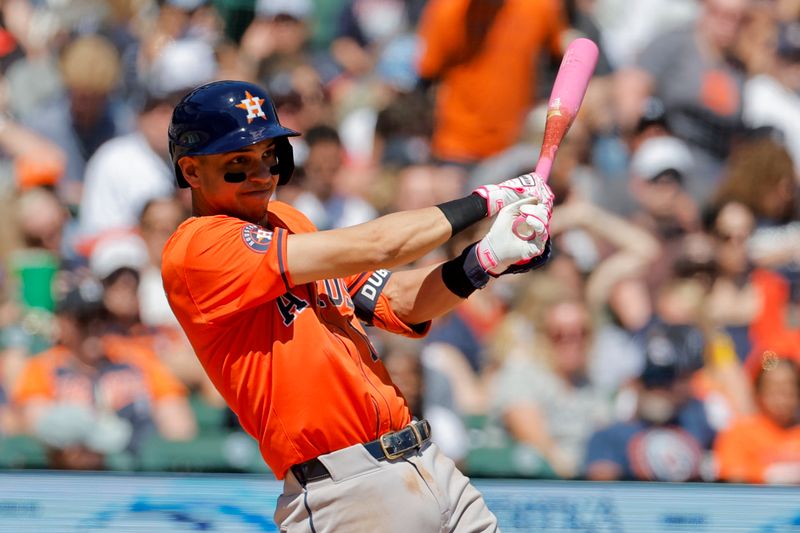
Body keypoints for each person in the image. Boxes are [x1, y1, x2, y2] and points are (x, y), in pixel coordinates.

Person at [161, 80, 554, 531]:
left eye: (271, 157)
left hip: (424, 460)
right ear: (191, 171)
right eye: (238, 163)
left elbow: (399, 302)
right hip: (346, 492)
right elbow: (380, 244)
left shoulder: (289, 221)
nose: (261, 175)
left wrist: (485, 260)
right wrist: (487, 200)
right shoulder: (197, 248)